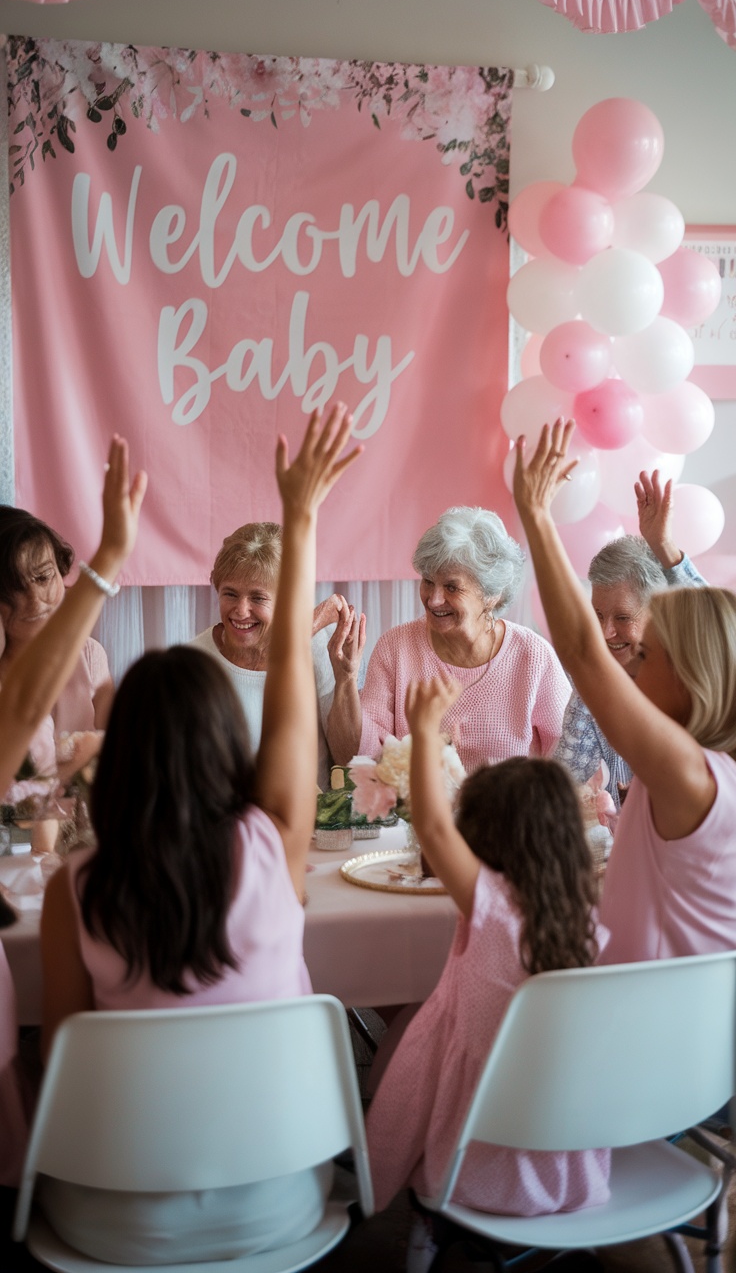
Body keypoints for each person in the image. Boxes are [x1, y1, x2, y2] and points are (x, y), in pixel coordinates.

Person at [36, 408, 361, 1264]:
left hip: (110, 1218)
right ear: (228, 743)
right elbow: (293, 678)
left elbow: (67, 1069)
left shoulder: (75, 888)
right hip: (280, 1204)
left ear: (124, 748)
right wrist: (304, 514)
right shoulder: (274, 847)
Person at [366, 676, 608, 1247]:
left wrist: (424, 732)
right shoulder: (593, 922)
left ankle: (423, 1233)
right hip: (570, 1170)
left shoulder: (491, 906)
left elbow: (430, 825)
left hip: (470, 1171)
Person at [513, 421, 736, 965]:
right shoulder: (713, 768)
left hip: (644, 1020)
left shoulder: (691, 775)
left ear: (690, 677)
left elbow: (586, 654)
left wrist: (538, 517)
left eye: (647, 653)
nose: (630, 663)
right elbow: (711, 630)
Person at [0, 434, 147, 1188]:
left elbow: (102, 758)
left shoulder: (86, 653)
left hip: (62, 854)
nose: (43, 595)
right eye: (21, 584)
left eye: (50, 572)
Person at [327, 506, 570, 773]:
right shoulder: (395, 647)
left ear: (492, 595)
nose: (433, 599)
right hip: (416, 811)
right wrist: (346, 680)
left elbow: (568, 762)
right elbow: (354, 758)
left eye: (451, 587)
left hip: (509, 812)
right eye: (428, 581)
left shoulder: (533, 656)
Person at [554, 469, 705, 809]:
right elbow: (564, 777)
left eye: (622, 618)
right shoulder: (594, 678)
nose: (606, 632)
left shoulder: (691, 670)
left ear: (657, 613)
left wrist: (663, 546)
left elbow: (718, 628)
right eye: (598, 615)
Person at [189, 521, 342, 789]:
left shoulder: (319, 647)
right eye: (230, 594)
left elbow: (347, 756)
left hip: (312, 824)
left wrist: (347, 678)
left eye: (258, 598)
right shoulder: (194, 661)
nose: (241, 610)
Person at [0, 506, 115, 736]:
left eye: (43, 578)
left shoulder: (90, 655)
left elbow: (116, 752)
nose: (35, 600)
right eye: (15, 588)